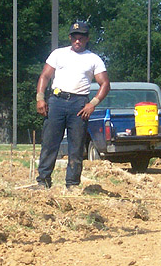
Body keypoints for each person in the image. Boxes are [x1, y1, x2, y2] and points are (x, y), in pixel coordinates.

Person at [33, 20, 110, 189]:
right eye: (75, 37)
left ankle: (72, 184)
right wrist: (40, 98)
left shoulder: (94, 59)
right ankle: (43, 181)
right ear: (70, 37)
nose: (78, 41)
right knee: (49, 143)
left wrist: (92, 104)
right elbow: (45, 76)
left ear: (87, 38)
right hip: (57, 101)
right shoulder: (58, 54)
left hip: (79, 104)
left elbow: (105, 84)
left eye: (81, 37)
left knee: (76, 146)